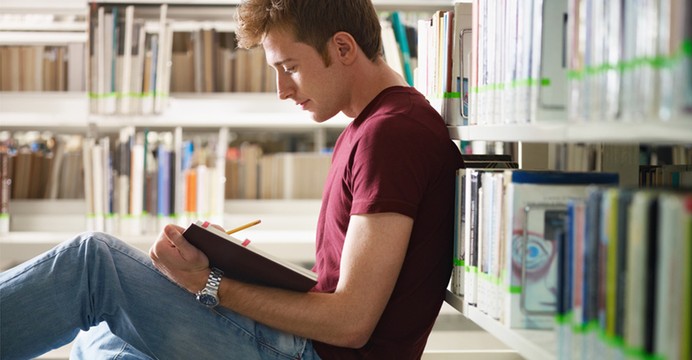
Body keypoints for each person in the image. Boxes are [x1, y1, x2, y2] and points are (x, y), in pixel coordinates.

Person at [0, 0, 464, 358]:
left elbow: (351, 321)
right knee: (104, 342)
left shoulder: (394, 134)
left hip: (316, 355)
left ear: (343, 48)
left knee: (93, 262)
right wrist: (227, 265)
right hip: (302, 345)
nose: (283, 90)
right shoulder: (368, 128)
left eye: (290, 68)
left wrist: (209, 283)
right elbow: (336, 290)